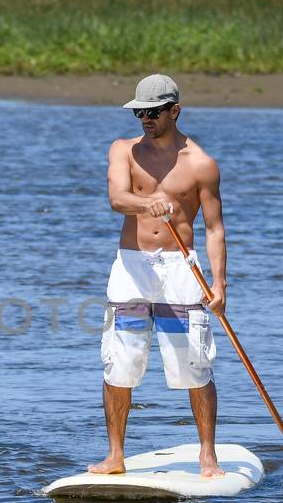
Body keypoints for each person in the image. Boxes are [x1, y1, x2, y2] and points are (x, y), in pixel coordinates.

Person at [91, 74, 226, 478]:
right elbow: (117, 198)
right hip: (132, 268)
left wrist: (220, 284)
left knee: (193, 366)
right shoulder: (123, 151)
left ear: (174, 110)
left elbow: (214, 229)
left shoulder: (201, 164)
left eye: (152, 112)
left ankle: (208, 456)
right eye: (139, 112)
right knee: (121, 363)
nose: (144, 119)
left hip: (180, 271)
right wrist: (146, 203)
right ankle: (115, 456)